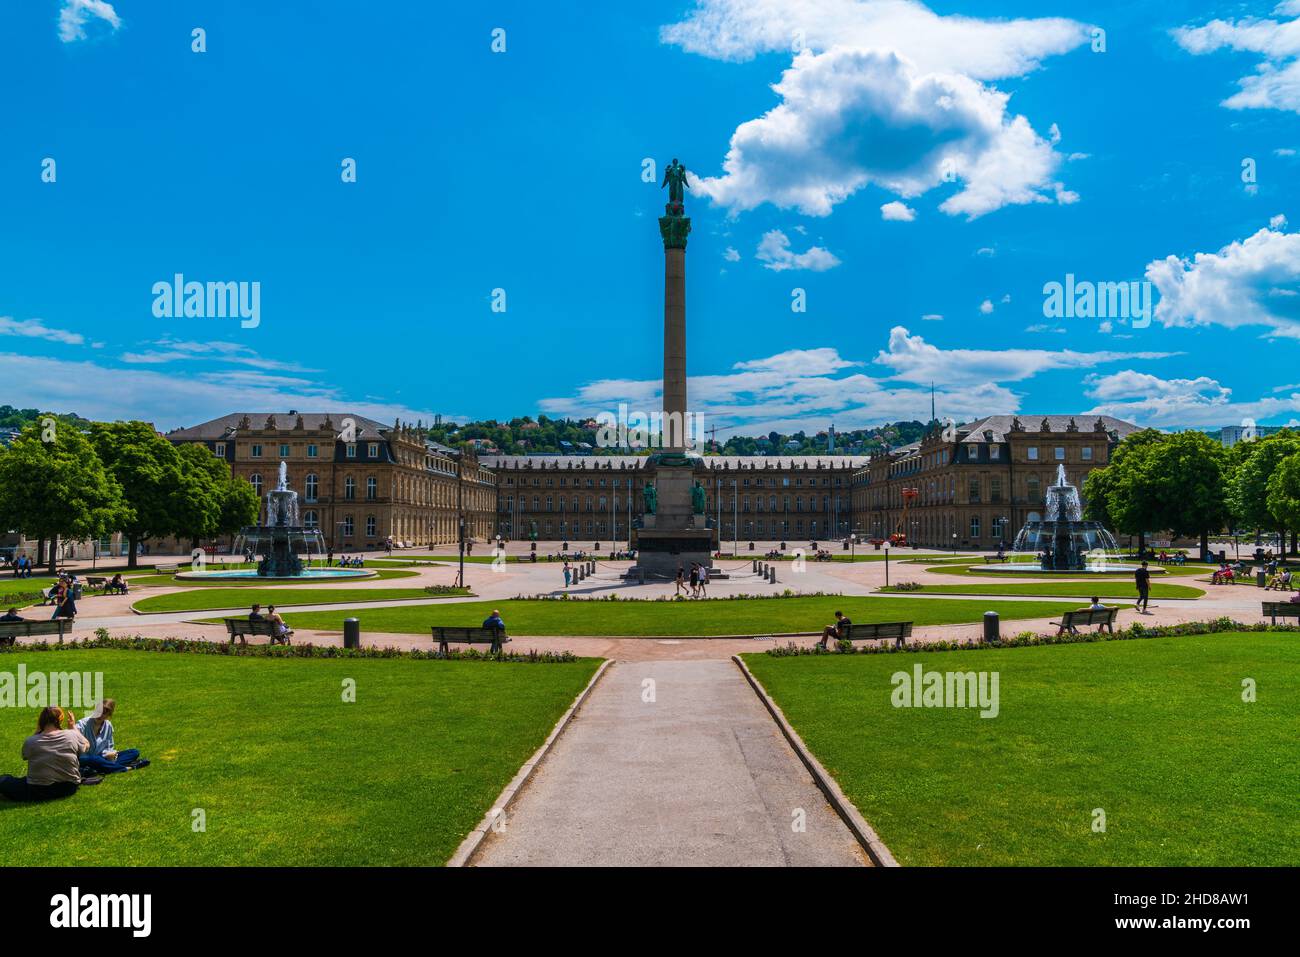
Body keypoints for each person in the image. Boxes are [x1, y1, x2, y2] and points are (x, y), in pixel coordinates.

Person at [0, 707, 89, 802]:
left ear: (41, 721)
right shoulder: (72, 735)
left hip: (39, 790)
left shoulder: (31, 741)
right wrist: (73, 727)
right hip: (69, 788)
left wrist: (38, 730)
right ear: (60, 720)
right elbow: (86, 745)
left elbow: (25, 755)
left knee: (4, 779)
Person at [75, 700, 146, 775]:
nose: (100, 715)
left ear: (109, 715)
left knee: (134, 752)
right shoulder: (82, 724)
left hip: (102, 758)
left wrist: (109, 754)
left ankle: (101, 768)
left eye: (104, 713)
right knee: (95, 759)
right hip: (84, 758)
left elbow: (109, 747)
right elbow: (73, 742)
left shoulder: (108, 726)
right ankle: (127, 768)